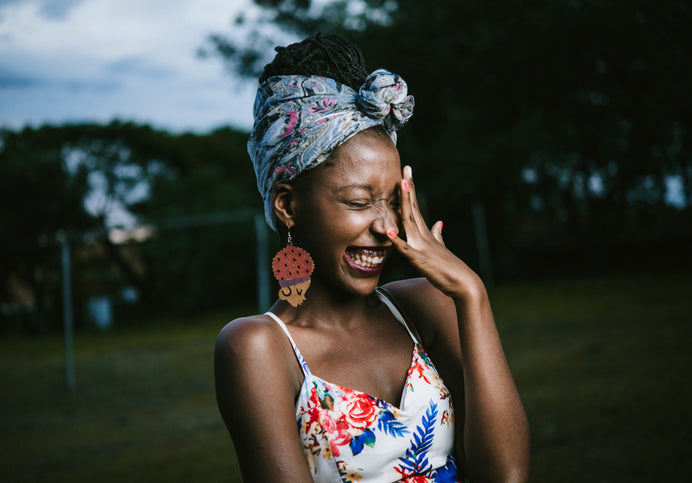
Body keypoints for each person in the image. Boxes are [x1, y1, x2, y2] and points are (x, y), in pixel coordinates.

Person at [214, 32, 529, 482]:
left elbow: (509, 476)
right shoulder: (257, 348)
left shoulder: (425, 307)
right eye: (360, 202)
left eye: (394, 202)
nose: (386, 227)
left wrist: (471, 295)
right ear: (287, 205)